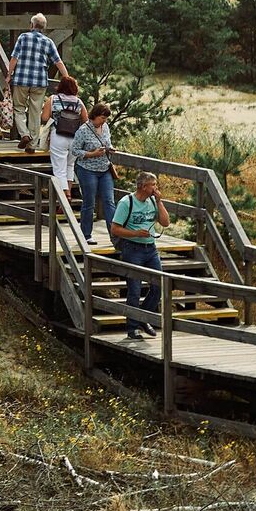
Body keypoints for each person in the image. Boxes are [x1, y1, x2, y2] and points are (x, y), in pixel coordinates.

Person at [110, 171, 169, 339]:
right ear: (144, 186)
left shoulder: (153, 200)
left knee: (159, 285)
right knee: (135, 289)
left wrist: (159, 201)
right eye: (153, 185)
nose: (156, 188)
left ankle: (144, 317)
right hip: (132, 248)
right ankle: (132, 328)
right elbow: (114, 229)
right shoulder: (126, 202)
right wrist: (135, 233)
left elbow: (165, 222)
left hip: (150, 249)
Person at [6, 13, 68, 153]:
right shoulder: (48, 42)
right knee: (35, 112)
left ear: (31, 25)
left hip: (21, 79)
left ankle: (24, 134)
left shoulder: (23, 37)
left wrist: (9, 75)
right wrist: (67, 77)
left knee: (19, 108)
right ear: (44, 27)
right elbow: (58, 62)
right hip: (40, 81)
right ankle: (33, 144)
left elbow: (14, 58)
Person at [70, 104, 115, 243]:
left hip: (104, 168)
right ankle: (86, 235)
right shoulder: (83, 130)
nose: (104, 121)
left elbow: (107, 142)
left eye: (106, 118)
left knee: (109, 201)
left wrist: (110, 148)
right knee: (89, 202)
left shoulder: (105, 127)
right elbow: (74, 150)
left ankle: (115, 235)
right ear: (94, 116)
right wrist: (92, 154)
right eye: (102, 118)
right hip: (87, 170)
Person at [44, 76, 85, 199]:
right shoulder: (79, 102)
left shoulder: (53, 99)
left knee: (59, 168)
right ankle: (69, 191)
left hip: (58, 135)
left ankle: (64, 195)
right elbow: (86, 120)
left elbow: (44, 118)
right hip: (74, 137)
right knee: (70, 165)